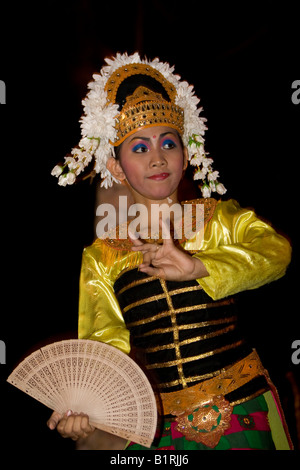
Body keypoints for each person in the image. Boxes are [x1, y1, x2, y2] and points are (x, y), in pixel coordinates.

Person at [49, 52, 293, 450]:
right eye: (139, 148)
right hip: (164, 434)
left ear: (185, 155)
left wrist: (199, 265)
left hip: (244, 410)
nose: (157, 157)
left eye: (168, 143)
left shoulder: (220, 218)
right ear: (115, 167)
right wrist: (84, 414)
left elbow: (276, 253)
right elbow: (105, 351)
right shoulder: (102, 255)